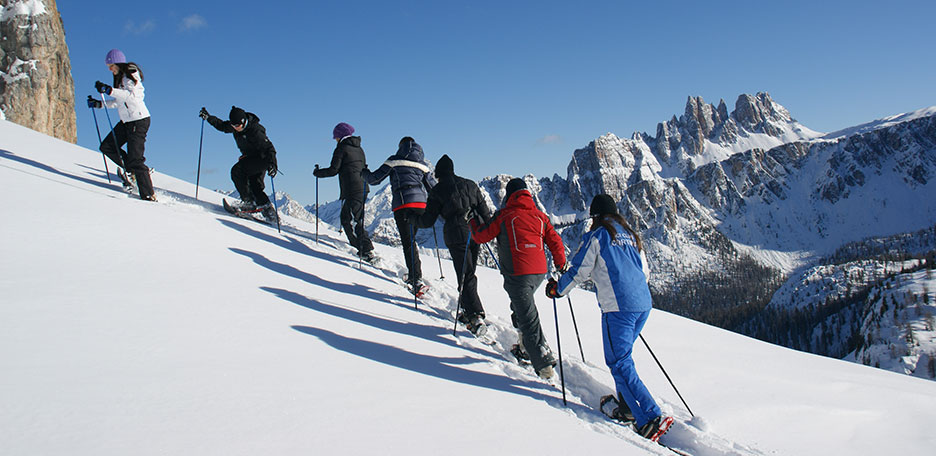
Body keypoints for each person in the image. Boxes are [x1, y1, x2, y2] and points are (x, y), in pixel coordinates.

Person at [545, 194, 673, 442]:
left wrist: (557, 290)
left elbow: (580, 271)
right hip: (643, 305)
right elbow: (644, 272)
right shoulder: (630, 235)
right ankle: (628, 408)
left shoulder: (599, 235)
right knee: (620, 359)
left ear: (595, 216)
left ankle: (650, 416)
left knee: (620, 363)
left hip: (618, 308)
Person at [469, 177, 566, 379]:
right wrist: (560, 264)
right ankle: (523, 348)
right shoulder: (541, 216)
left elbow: (481, 236)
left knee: (528, 318)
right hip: (539, 273)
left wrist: (471, 221)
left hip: (517, 273)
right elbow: (555, 241)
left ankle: (544, 366)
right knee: (521, 308)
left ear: (509, 197)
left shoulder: (504, 215)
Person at [412, 154, 492, 334]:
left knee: (465, 273)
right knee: (469, 272)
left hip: (456, 233)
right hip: (475, 233)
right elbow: (485, 213)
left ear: (439, 173)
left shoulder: (438, 190)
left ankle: (476, 315)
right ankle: (467, 309)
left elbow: (427, 221)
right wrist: (490, 231)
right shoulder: (470, 184)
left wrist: (412, 219)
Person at [362, 137, 437, 295]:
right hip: (421, 206)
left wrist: (364, 173)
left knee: (408, 241)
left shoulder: (394, 161)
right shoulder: (422, 166)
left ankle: (416, 279)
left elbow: (375, 179)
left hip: (403, 205)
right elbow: (433, 188)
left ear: (400, 147)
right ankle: (415, 274)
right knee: (412, 239)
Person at [87, 48, 155, 201]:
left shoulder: (131, 72)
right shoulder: (120, 79)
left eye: (111, 66)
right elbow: (119, 102)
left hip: (138, 120)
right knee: (107, 146)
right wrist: (99, 104)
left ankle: (148, 195)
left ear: (117, 63)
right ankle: (131, 172)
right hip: (126, 122)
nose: (110, 69)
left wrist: (109, 90)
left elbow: (130, 97)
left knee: (136, 158)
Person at [198, 106, 279, 220]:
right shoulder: (235, 126)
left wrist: (273, 165)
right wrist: (208, 117)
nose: (235, 128)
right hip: (250, 159)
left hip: (261, 159)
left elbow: (269, 148)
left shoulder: (255, 130)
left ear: (243, 121)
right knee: (254, 184)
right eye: (233, 126)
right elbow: (221, 126)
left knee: (237, 171)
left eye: (236, 125)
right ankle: (269, 212)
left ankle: (248, 202)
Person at [313, 122, 376, 263]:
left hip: (352, 188)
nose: (334, 139)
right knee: (351, 218)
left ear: (340, 136)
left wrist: (318, 173)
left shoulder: (341, 148)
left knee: (352, 220)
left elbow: (333, 170)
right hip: (363, 187)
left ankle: (365, 250)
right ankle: (364, 248)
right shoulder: (359, 149)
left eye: (335, 136)